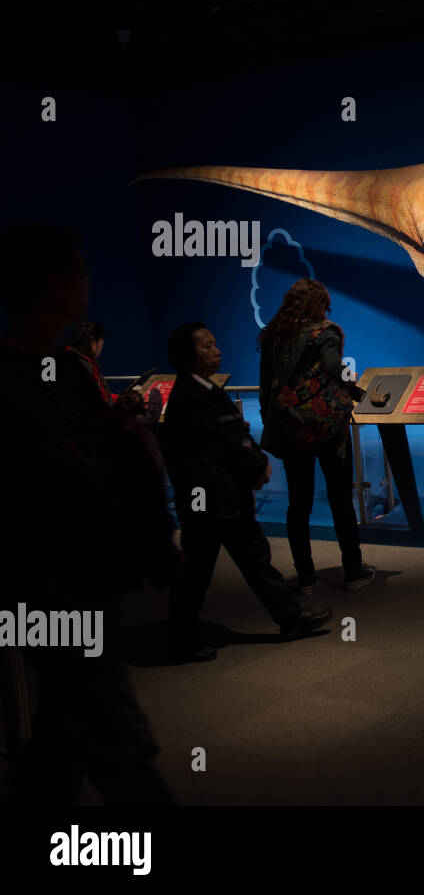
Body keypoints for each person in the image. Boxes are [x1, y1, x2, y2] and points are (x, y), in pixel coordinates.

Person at [0, 222, 176, 805]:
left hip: (81, 580)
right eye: (80, 271)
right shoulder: (15, 380)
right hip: (49, 586)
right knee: (112, 732)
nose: (89, 281)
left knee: (62, 730)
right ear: (53, 285)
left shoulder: (62, 371)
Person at [160, 321, 332, 663]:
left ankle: (290, 618)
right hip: (210, 502)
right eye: (207, 346)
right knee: (197, 571)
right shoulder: (190, 398)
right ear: (188, 355)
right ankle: (181, 639)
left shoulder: (206, 391)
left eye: (214, 343)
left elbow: (234, 435)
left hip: (225, 498)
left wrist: (256, 465)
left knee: (253, 559)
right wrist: (255, 467)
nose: (216, 350)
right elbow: (222, 444)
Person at [257, 279, 373, 594]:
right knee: (340, 500)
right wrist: (357, 386)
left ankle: (306, 578)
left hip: (292, 429)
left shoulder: (273, 337)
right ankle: (352, 570)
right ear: (319, 304)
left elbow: (266, 386)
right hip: (329, 430)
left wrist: (273, 423)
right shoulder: (325, 332)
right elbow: (337, 367)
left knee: (299, 504)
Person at [62, 320, 113, 410]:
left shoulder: (58, 358)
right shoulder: (87, 367)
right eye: (101, 344)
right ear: (92, 342)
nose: (101, 349)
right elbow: (99, 403)